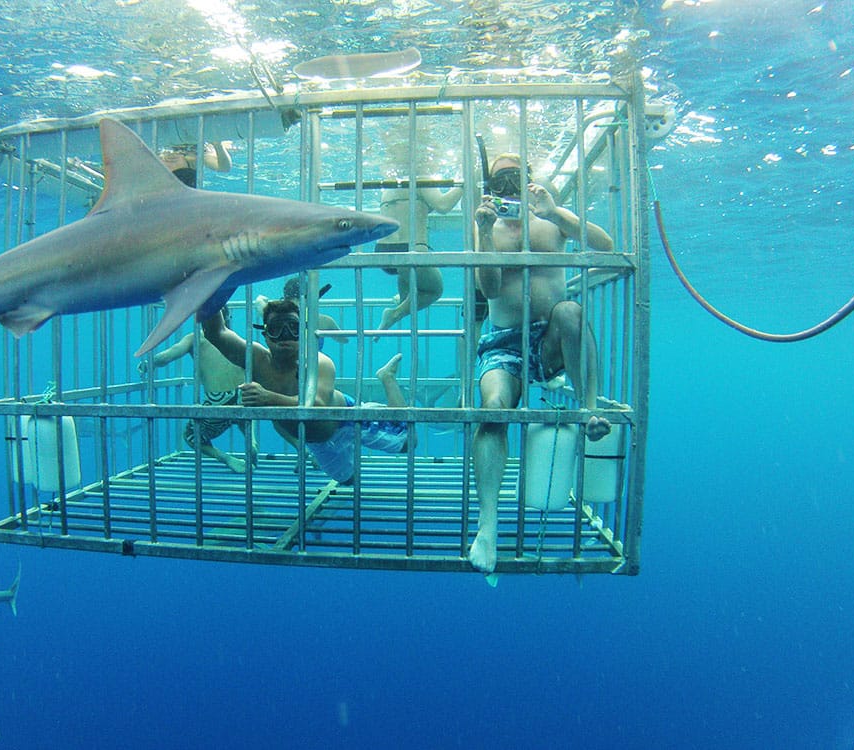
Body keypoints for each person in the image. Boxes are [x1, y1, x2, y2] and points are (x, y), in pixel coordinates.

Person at [469, 153, 614, 575]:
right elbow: (490, 287)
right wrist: (482, 231)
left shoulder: (552, 219)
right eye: (502, 182)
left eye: (517, 178)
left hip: (551, 336)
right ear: (490, 188)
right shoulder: (487, 226)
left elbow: (604, 245)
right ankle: (488, 527)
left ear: (531, 179)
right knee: (492, 409)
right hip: (503, 341)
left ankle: (589, 409)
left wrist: (556, 211)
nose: (511, 189)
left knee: (571, 311)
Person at [202, 298, 413, 484]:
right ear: (265, 334)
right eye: (276, 328)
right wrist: (214, 289)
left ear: (303, 333)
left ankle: (387, 378)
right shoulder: (256, 359)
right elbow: (215, 332)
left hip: (346, 421)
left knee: (408, 443)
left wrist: (267, 397)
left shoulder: (317, 362)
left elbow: (317, 405)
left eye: (293, 328)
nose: (285, 335)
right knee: (348, 480)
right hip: (317, 441)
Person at [138, 305, 257, 473]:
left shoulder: (195, 338)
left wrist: (147, 364)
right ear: (227, 318)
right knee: (242, 417)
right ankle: (251, 443)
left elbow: (167, 356)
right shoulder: (236, 339)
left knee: (190, 435)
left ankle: (227, 458)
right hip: (245, 395)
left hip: (218, 399)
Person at [374, 181, 463, 332]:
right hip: (410, 248)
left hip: (383, 249)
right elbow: (443, 205)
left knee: (405, 274)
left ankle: (403, 300)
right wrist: (463, 183)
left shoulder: (392, 185)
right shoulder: (420, 177)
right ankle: (394, 314)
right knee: (434, 290)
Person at [159, 140, 233, 187]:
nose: (168, 162)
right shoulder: (197, 157)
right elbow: (224, 168)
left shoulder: (160, 157)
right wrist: (218, 145)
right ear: (191, 167)